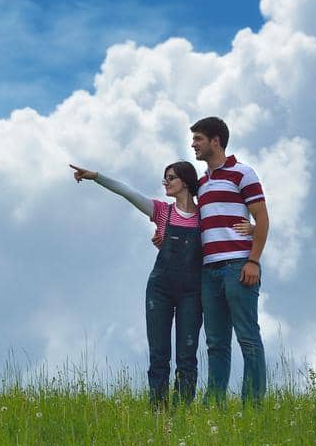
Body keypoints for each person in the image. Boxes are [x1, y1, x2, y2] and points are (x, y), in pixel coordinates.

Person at [70, 159, 205, 405]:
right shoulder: (163, 212)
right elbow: (128, 192)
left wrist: (251, 229)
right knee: (159, 355)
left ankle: (183, 412)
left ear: (185, 181)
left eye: (171, 177)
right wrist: (96, 176)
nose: (165, 182)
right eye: (165, 178)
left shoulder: (204, 218)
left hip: (192, 293)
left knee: (187, 356)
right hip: (160, 290)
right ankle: (159, 412)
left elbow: (224, 231)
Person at [188, 115, 269, 404]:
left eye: (198, 139)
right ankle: (214, 404)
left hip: (238, 266)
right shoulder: (201, 183)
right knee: (215, 343)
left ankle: (254, 404)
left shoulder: (243, 173)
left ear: (215, 141)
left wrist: (253, 261)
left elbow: (262, 219)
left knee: (247, 337)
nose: (193, 144)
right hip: (208, 271)